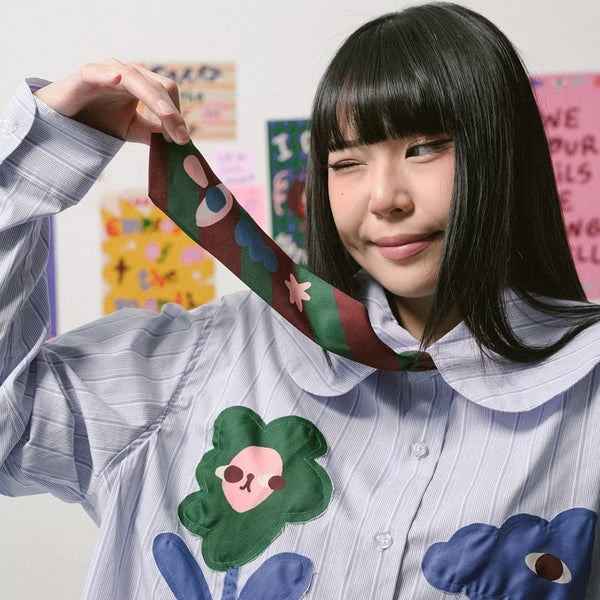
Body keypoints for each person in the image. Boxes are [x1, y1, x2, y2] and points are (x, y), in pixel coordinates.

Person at [1, 3, 599, 598]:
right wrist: (43, 152)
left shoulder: (588, 388)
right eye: (348, 162)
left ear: (506, 154)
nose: (384, 198)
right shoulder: (197, 362)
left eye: (425, 149)